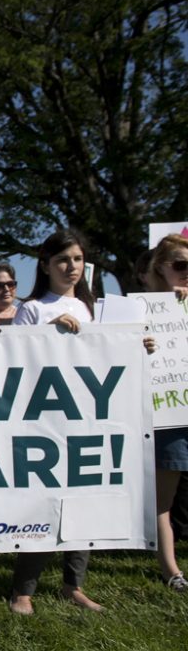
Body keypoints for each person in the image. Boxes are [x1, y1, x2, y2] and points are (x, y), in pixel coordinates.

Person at [8, 229, 101, 614]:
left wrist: (139, 346)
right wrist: (51, 332)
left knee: (83, 500)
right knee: (43, 502)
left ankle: (72, 583)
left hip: (86, 415)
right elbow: (15, 356)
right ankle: (23, 590)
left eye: (78, 259)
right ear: (46, 265)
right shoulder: (32, 308)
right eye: (63, 260)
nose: (71, 267)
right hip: (45, 418)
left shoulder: (93, 309)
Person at [145, 235, 188, 592]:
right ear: (161, 267)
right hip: (172, 414)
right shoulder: (148, 311)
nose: (187, 273)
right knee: (164, 500)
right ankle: (171, 569)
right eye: (181, 265)